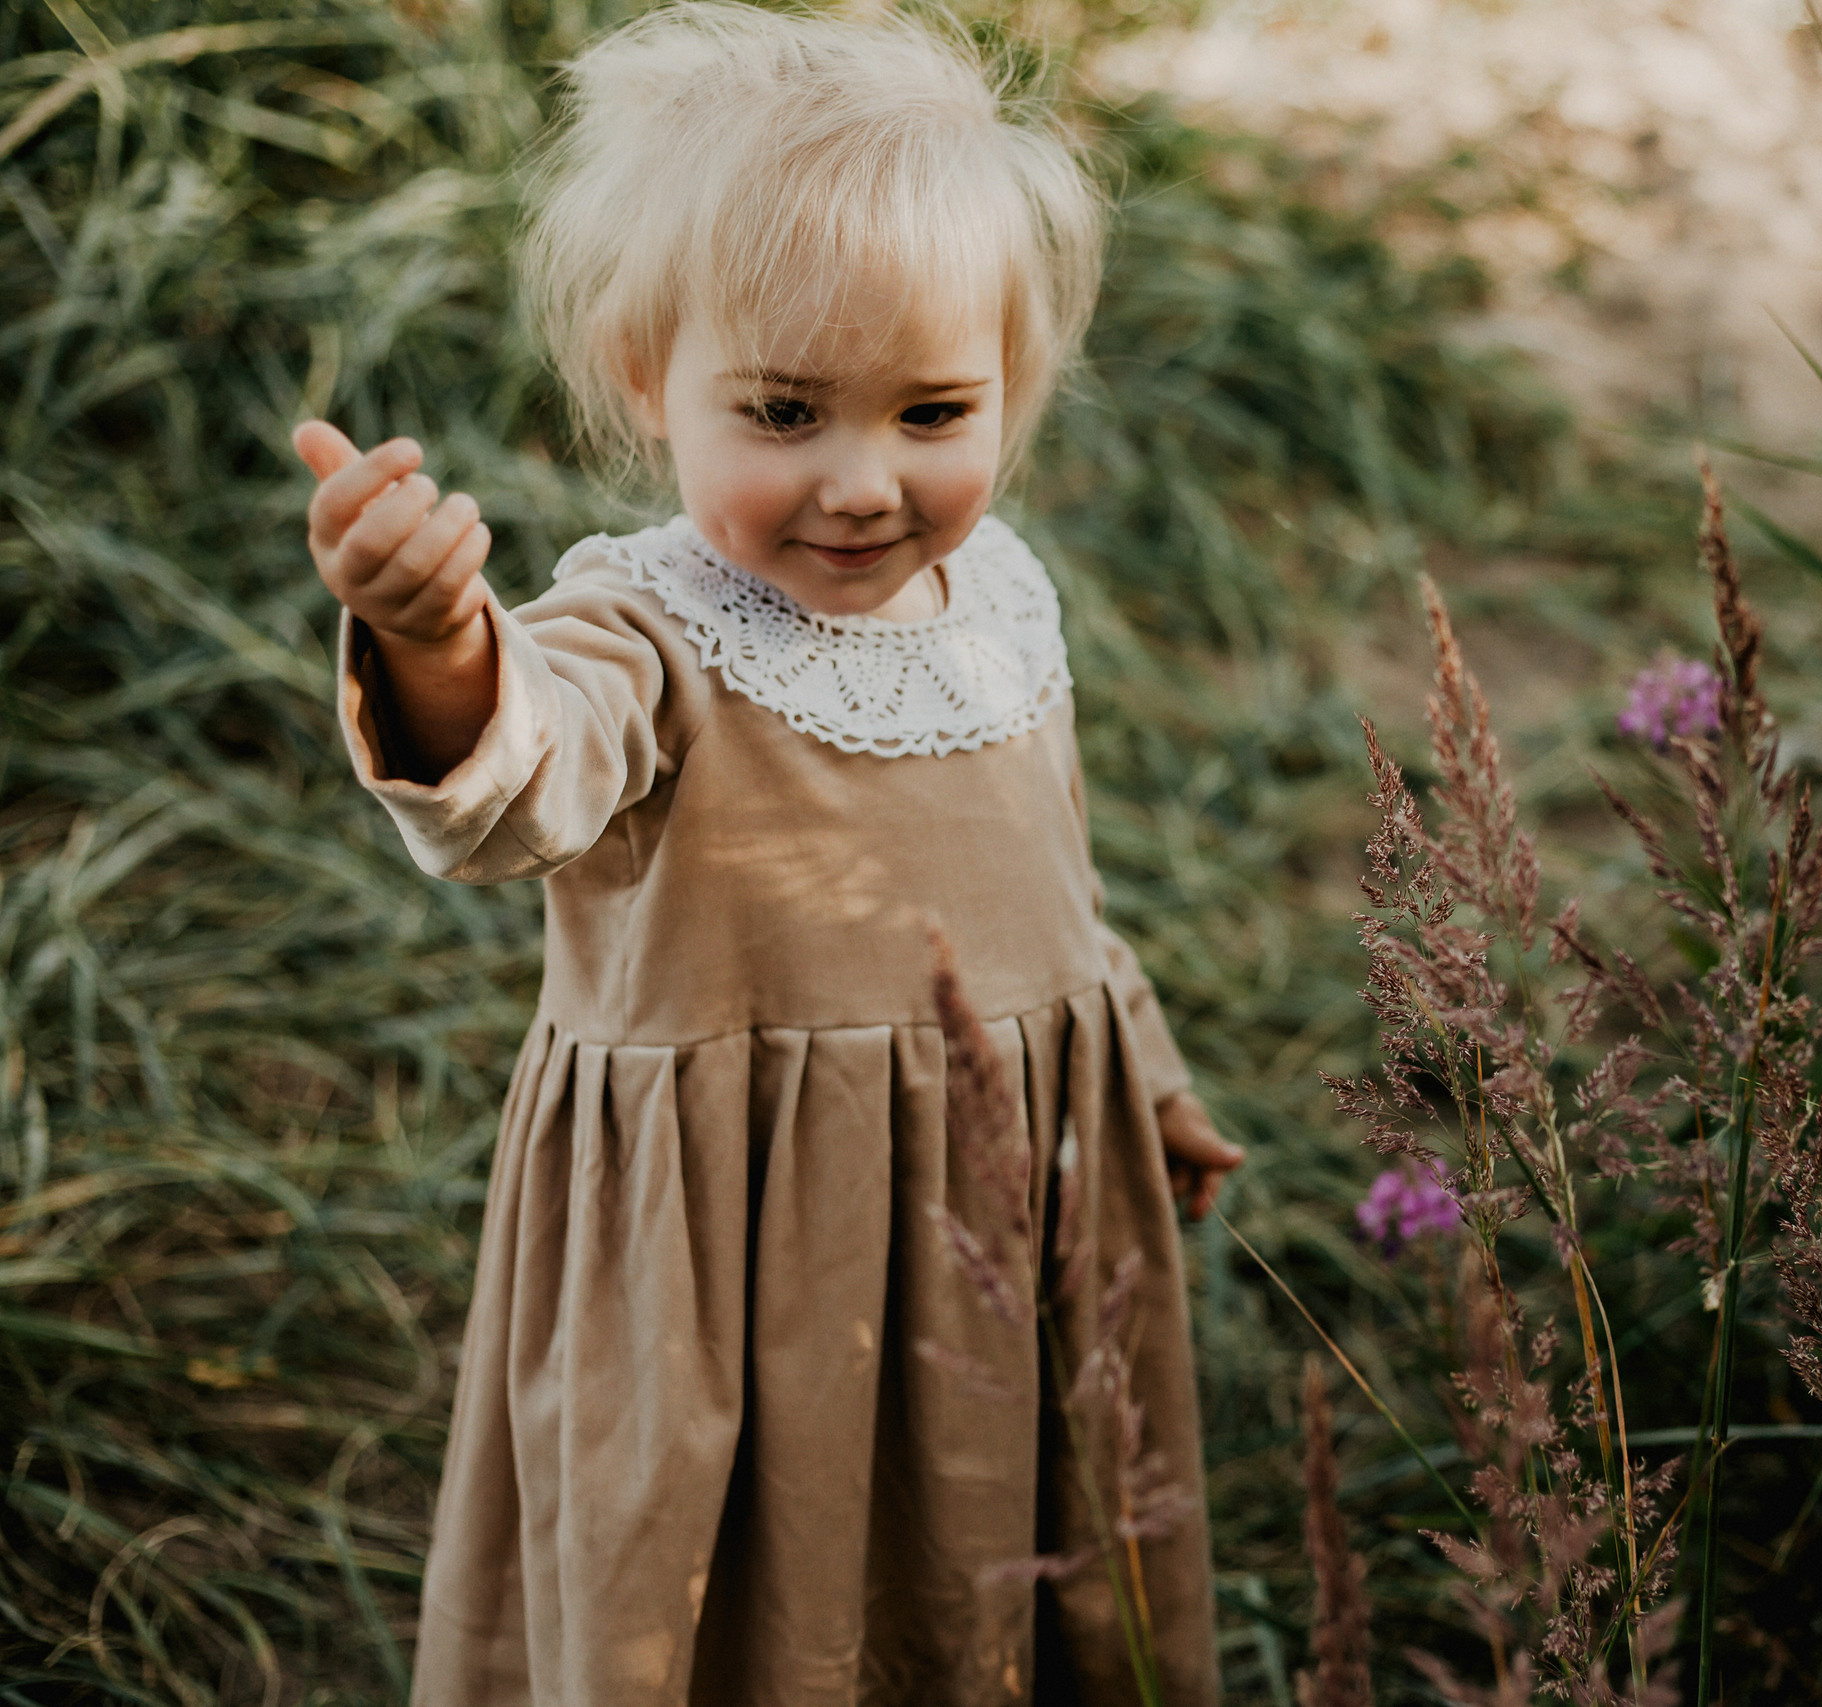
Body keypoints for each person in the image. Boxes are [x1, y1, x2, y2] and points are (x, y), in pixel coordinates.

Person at [288, 7, 1239, 1701]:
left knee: (987, 1554)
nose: (866, 483)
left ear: (1011, 383)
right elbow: (524, 778)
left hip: (1000, 1213)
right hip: (734, 1263)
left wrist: (1137, 1071)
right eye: (787, 411)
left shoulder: (1003, 595)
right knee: (755, 1588)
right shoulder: (650, 634)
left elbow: (1057, 890)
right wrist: (440, 640)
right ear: (655, 378)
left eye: (935, 410)